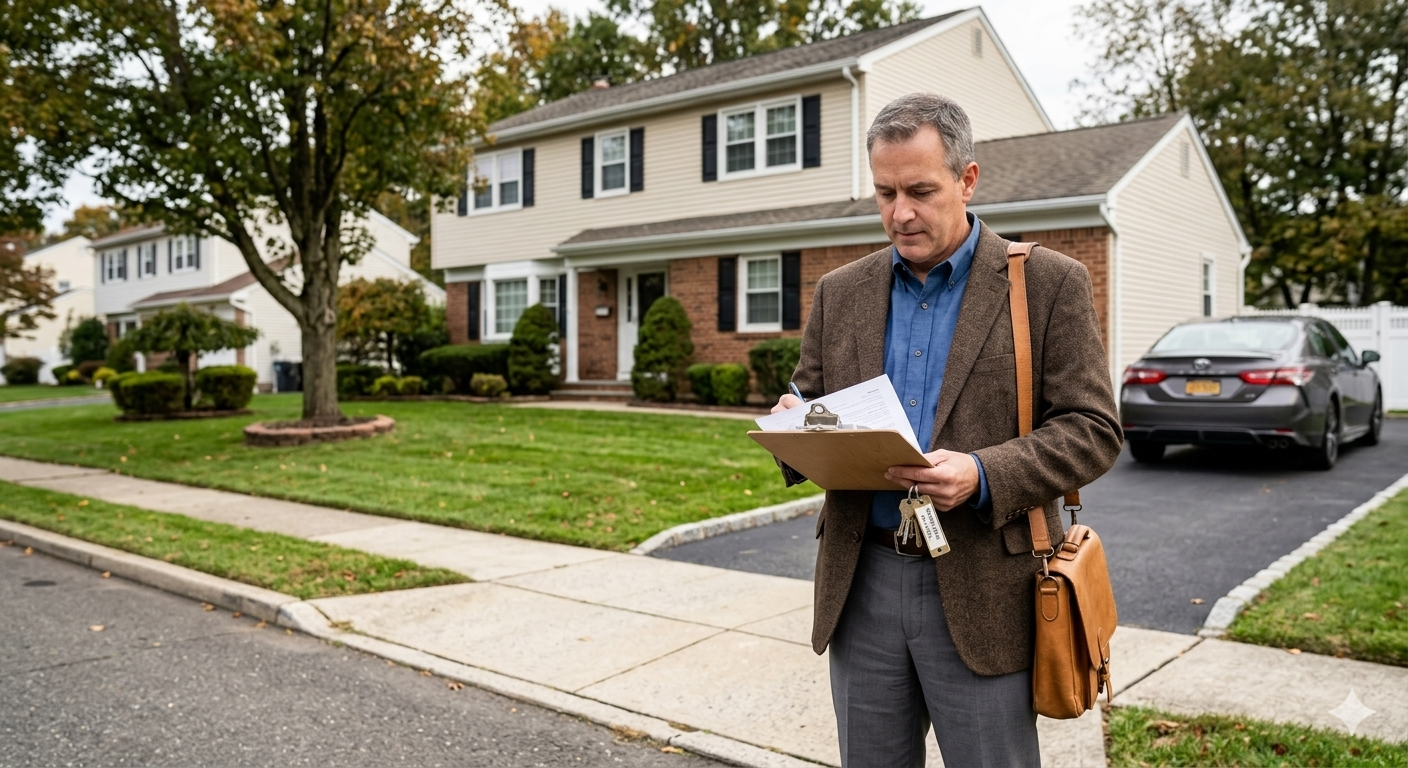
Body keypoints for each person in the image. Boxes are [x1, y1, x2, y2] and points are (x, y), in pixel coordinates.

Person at [773, 93, 1122, 767]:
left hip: (986, 584)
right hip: (861, 577)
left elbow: (1093, 428)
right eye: (884, 193)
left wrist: (984, 474)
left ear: (967, 180)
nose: (899, 213)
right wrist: (794, 418)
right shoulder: (840, 291)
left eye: (920, 191)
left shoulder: (1048, 284)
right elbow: (812, 395)